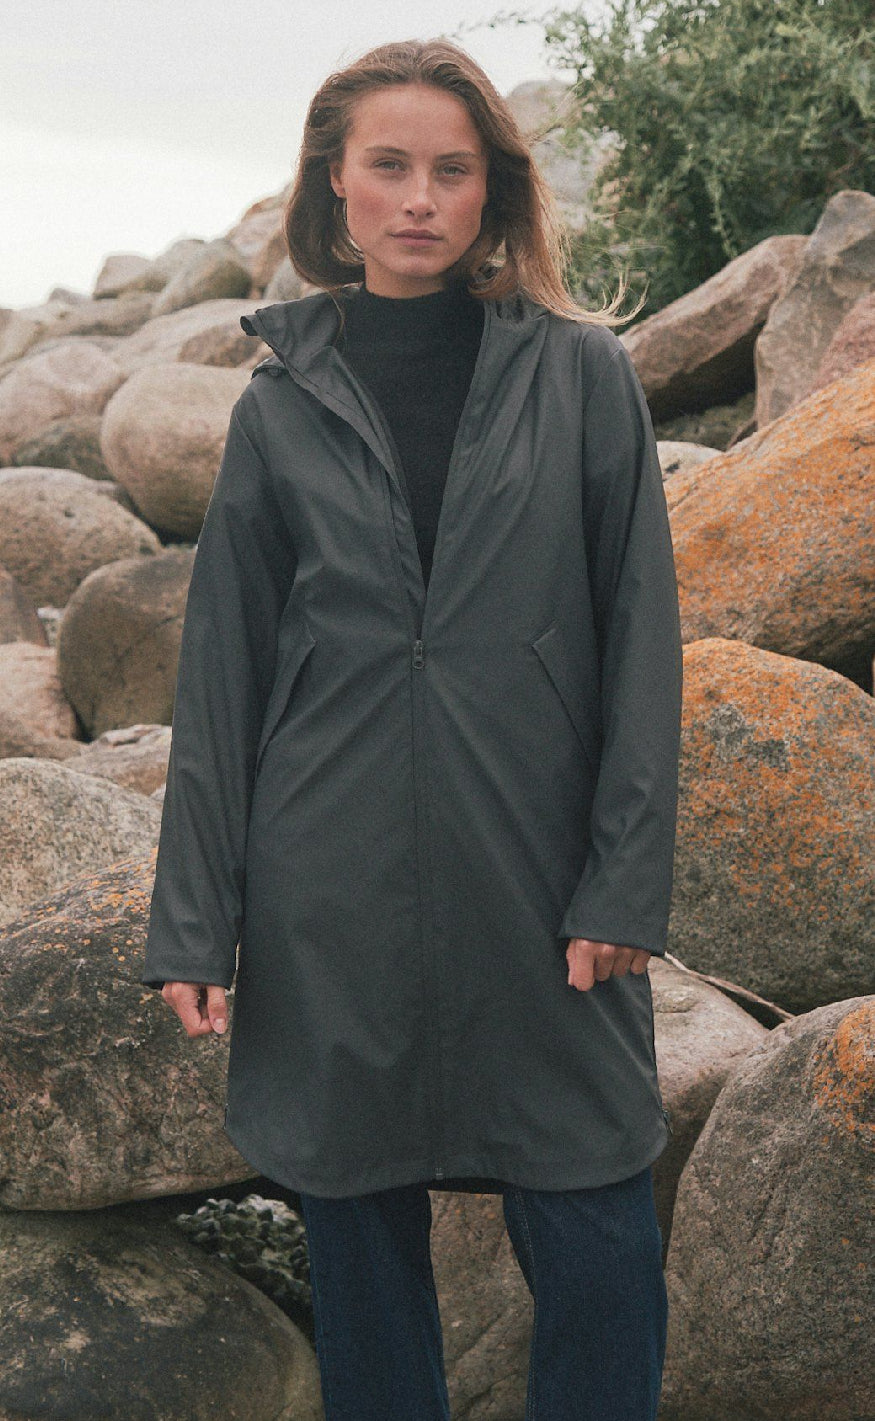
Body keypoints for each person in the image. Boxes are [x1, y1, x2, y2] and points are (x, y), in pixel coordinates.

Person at [141, 35, 683, 1421]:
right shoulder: (278, 405)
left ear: (495, 189)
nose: (422, 199)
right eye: (390, 166)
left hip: (540, 875)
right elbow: (222, 680)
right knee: (360, 1248)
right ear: (337, 181)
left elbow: (641, 643)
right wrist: (194, 920)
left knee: (601, 1234)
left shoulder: (583, 376)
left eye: (453, 170)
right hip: (331, 885)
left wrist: (625, 881)